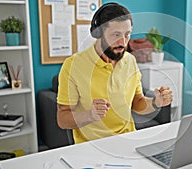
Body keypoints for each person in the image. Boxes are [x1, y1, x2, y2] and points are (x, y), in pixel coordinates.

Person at [56, 2, 173, 144]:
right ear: (98, 33)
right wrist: (90, 115)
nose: (123, 42)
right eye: (116, 35)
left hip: (129, 140)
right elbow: (62, 119)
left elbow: (138, 102)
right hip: (91, 146)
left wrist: (156, 102)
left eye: (127, 35)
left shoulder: (130, 60)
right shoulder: (73, 65)